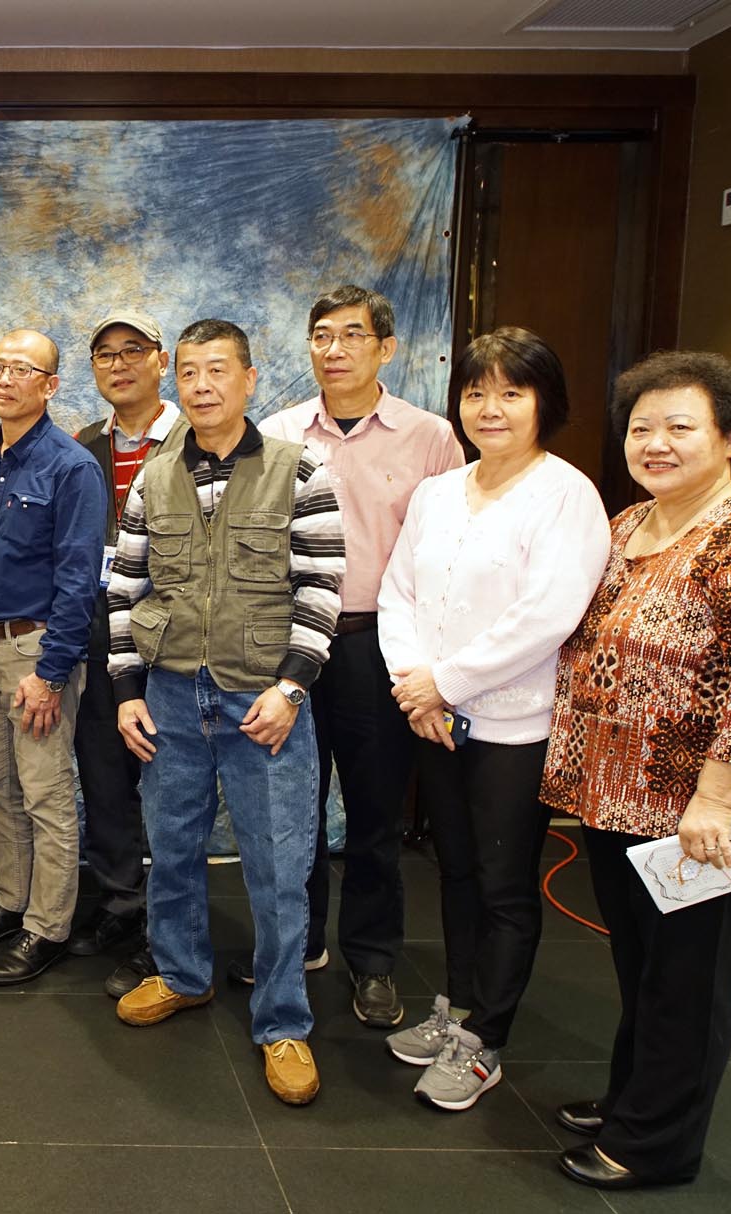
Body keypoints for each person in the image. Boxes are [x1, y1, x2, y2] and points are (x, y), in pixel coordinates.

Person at [542, 351, 731, 1189]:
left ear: (729, 438)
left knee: (687, 982)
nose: (655, 443)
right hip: (615, 793)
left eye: (679, 427)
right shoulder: (630, 524)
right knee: (643, 967)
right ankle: (634, 1097)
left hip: (696, 812)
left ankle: (655, 1145)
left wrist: (715, 801)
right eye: (641, 428)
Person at [107, 319, 343, 1106]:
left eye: (218, 370)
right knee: (171, 846)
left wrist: (292, 689)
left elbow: (321, 589)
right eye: (189, 372)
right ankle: (182, 974)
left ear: (248, 379)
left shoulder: (298, 469)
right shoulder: (153, 478)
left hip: (262, 696)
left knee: (278, 865)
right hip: (171, 694)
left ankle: (283, 1022)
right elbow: (126, 590)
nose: (202, 385)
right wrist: (126, 691)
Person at [374, 328, 609, 1111]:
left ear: (546, 402)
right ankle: (457, 1006)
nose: (490, 408)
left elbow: (548, 615)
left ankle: (486, 1041)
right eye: (477, 392)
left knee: (504, 885)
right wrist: (415, 683)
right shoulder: (439, 492)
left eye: (512, 392)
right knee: (457, 870)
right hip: (434, 717)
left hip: (514, 725)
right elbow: (399, 592)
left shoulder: (566, 495)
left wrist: (445, 681)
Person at [254, 284, 463, 1027]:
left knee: (375, 810)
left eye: (351, 335)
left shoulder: (431, 438)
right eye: (321, 335)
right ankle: (301, 941)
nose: (334, 349)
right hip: (291, 645)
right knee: (292, 807)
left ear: (386, 348)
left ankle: (373, 959)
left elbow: (448, 551)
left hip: (380, 644)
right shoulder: (277, 433)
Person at [0, 329, 105, 985]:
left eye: (23, 369)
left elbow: (79, 581)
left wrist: (51, 674)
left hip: (35, 653)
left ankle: (48, 926)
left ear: (51, 385)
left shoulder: (72, 467)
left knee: (45, 794)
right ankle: (11, 901)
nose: (5, 379)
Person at [70, 310, 181, 998]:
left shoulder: (195, 439)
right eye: (105, 354)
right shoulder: (85, 446)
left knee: (167, 788)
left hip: (172, 642)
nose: (119, 364)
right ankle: (120, 902)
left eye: (132, 350)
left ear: (160, 360)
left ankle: (167, 928)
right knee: (104, 777)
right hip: (96, 634)